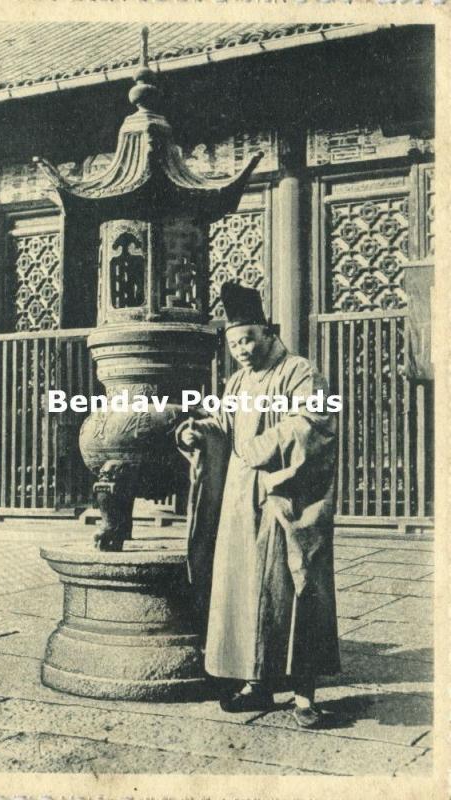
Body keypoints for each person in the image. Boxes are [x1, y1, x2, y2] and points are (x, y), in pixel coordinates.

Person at [176, 281, 340, 727]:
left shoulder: (300, 371)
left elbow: (314, 421)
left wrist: (262, 447)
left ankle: (304, 693)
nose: (242, 350)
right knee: (247, 589)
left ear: (268, 332)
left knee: (293, 585)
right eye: (233, 344)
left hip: (284, 496)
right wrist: (197, 431)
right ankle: (256, 681)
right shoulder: (238, 380)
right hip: (239, 498)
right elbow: (223, 424)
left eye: (248, 339)